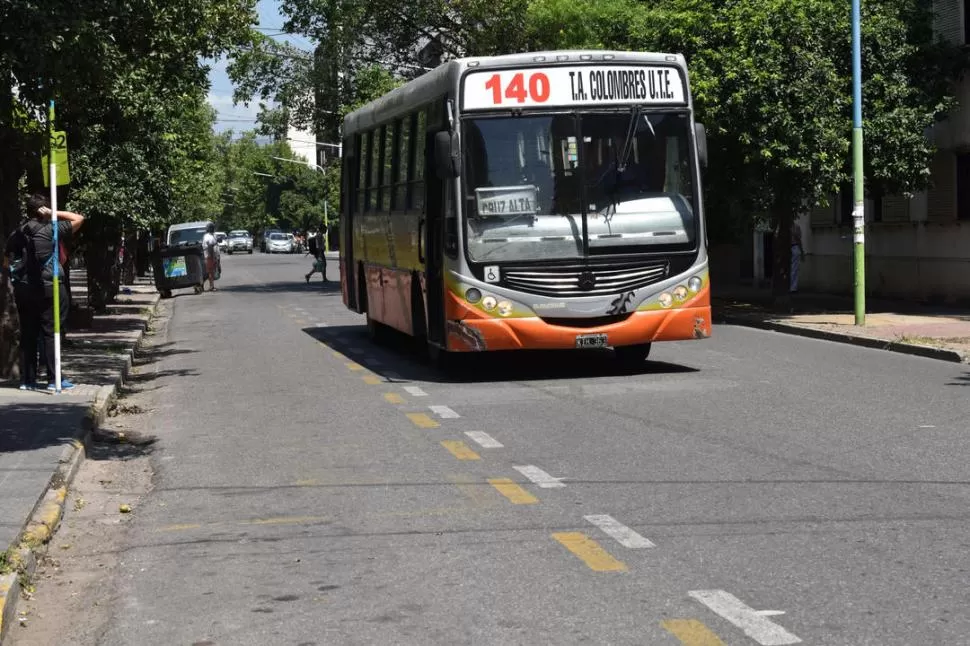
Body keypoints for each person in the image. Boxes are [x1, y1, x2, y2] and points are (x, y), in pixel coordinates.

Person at [3, 193, 84, 391]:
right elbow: (79, 218)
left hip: (23, 289)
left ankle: (27, 381)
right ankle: (52, 379)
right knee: (50, 332)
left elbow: (6, 261)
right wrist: (53, 213)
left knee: (28, 334)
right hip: (49, 288)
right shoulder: (52, 228)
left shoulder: (18, 233)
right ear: (44, 210)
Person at [202, 223, 220, 291]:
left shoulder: (212, 235)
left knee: (211, 272)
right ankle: (210, 286)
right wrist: (213, 258)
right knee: (210, 272)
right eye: (213, 228)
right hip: (210, 256)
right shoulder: (208, 237)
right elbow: (210, 247)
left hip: (213, 256)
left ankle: (211, 286)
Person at [790, 223, 805, 293]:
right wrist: (802, 252)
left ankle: (792, 287)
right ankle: (792, 287)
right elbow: (798, 239)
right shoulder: (796, 227)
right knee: (794, 269)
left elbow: (798, 239)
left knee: (793, 268)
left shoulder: (795, 227)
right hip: (793, 247)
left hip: (792, 247)